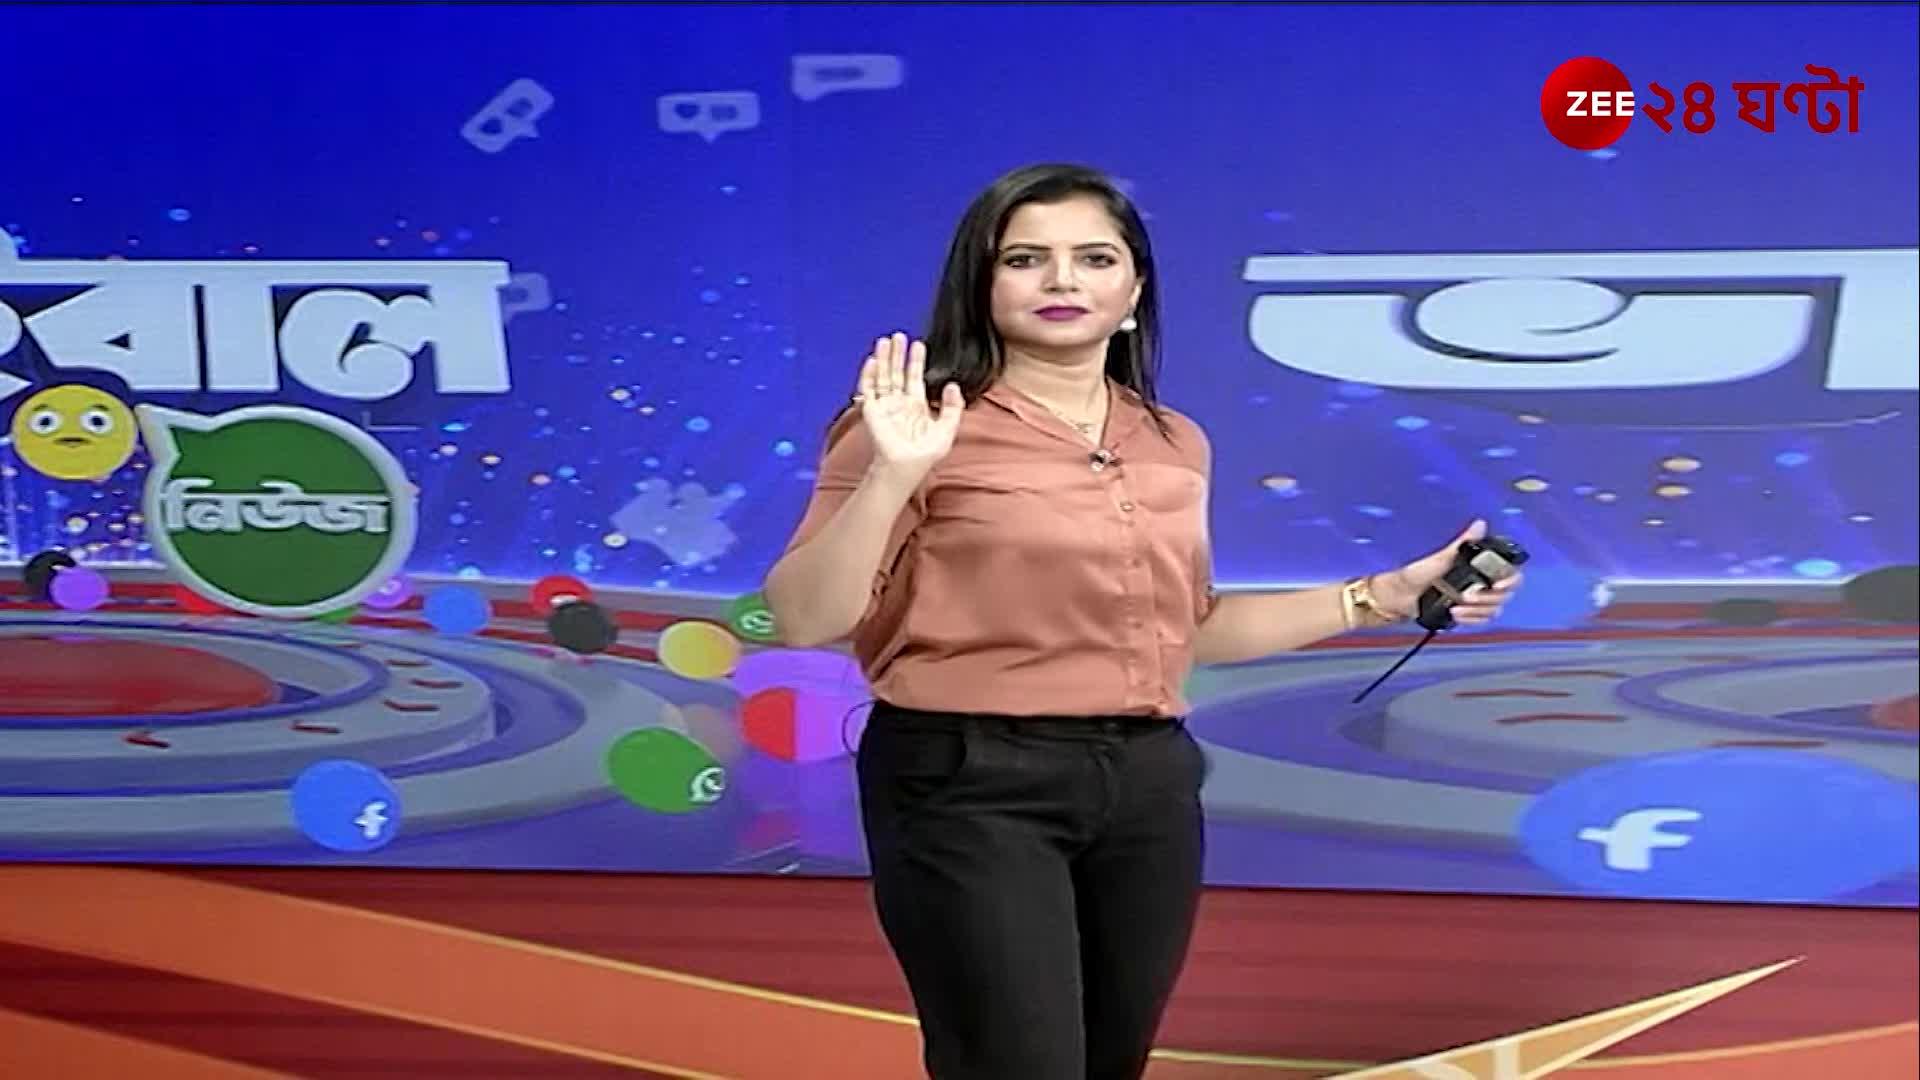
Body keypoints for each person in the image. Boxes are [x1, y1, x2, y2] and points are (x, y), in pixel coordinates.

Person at [763, 163, 1522, 1080]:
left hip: (1146, 785)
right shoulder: (906, 426)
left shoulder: (1173, 440)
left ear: (1133, 291)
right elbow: (805, 617)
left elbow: (1187, 630)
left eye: (1094, 258)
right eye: (1025, 259)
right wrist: (893, 476)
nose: (1061, 280)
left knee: (1109, 1063)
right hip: (968, 783)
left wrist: (1381, 596)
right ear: (981, 282)